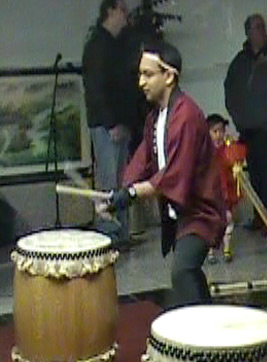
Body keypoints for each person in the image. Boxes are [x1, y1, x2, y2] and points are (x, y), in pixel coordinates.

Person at [99, 42, 226, 306]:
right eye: (140, 75)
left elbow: (174, 174)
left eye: (148, 74)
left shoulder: (186, 115)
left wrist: (131, 194)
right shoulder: (157, 117)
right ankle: (211, 327)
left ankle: (203, 336)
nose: (141, 82)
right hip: (181, 213)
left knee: (183, 272)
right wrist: (119, 193)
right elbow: (144, 158)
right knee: (188, 275)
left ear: (169, 76)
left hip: (201, 212)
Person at [82, 0, 133, 246]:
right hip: (106, 126)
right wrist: (112, 123)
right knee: (108, 182)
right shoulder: (97, 46)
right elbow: (95, 90)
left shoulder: (116, 45)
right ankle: (107, 234)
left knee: (121, 182)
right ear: (110, 11)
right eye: (122, 10)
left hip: (120, 123)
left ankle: (120, 233)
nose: (126, 15)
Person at [224, 13, 267, 230]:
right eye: (256, 27)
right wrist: (238, 119)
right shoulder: (240, 62)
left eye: (262, 27)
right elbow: (231, 91)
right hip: (248, 129)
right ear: (248, 32)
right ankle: (259, 217)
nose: (261, 31)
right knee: (253, 176)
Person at [206, 113, 245, 263]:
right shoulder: (204, 152)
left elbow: (237, 160)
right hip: (210, 194)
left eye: (221, 131)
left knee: (228, 220)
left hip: (226, 193)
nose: (218, 135)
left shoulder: (229, 149)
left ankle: (227, 249)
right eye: (214, 132)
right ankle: (210, 250)